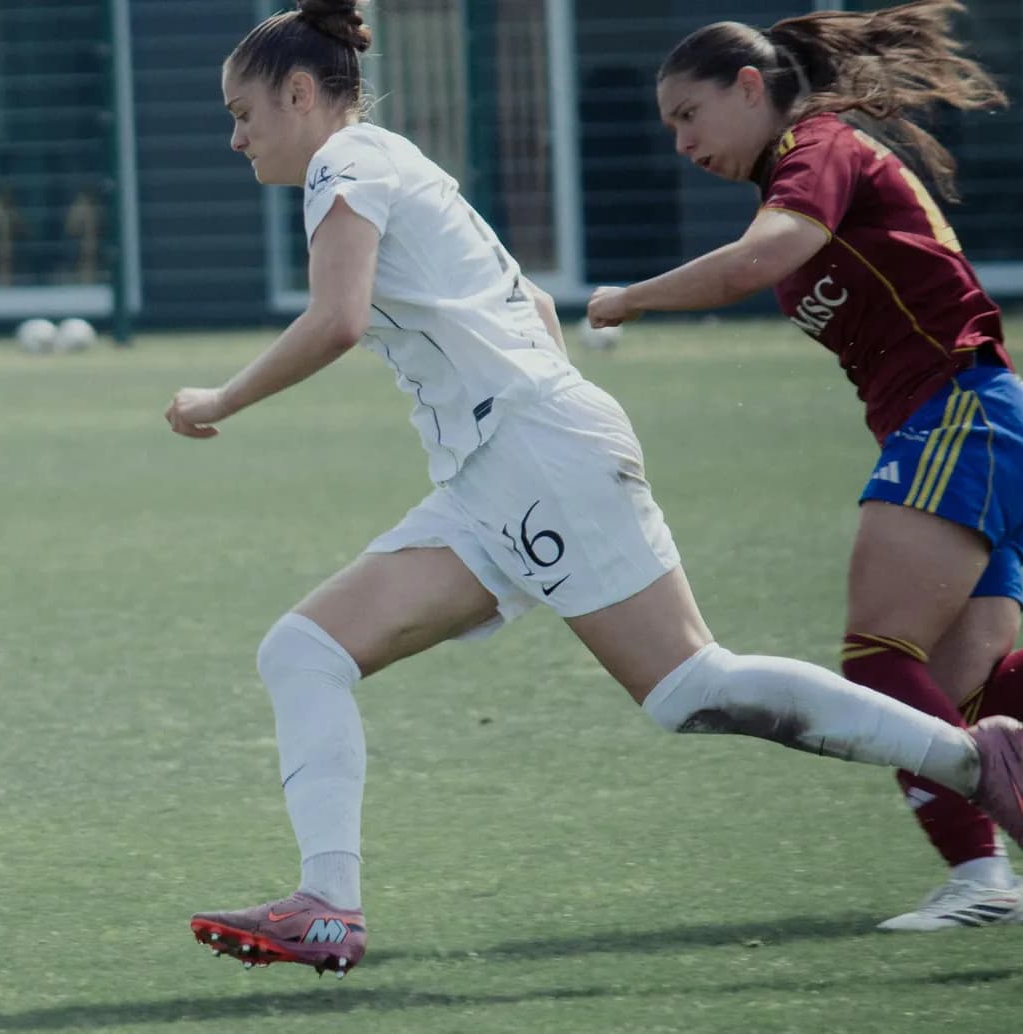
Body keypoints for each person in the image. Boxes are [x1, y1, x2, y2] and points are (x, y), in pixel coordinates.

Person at [168, 0, 1023, 978]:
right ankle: (327, 906)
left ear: (299, 92)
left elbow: (336, 318)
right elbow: (527, 299)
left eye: (244, 113)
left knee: (687, 686)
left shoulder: (343, 165)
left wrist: (219, 396)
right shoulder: (394, 160)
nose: (236, 137)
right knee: (303, 650)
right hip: (503, 468)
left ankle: (977, 761)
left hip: (531, 455)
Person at [586, 0, 1023, 932]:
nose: (679, 142)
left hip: (959, 414)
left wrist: (628, 299)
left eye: (687, 115)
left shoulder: (814, 147)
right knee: (981, 684)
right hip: (966, 423)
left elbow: (767, 257)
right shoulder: (799, 167)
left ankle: (982, 879)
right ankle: (985, 873)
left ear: (750, 87)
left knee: (877, 659)